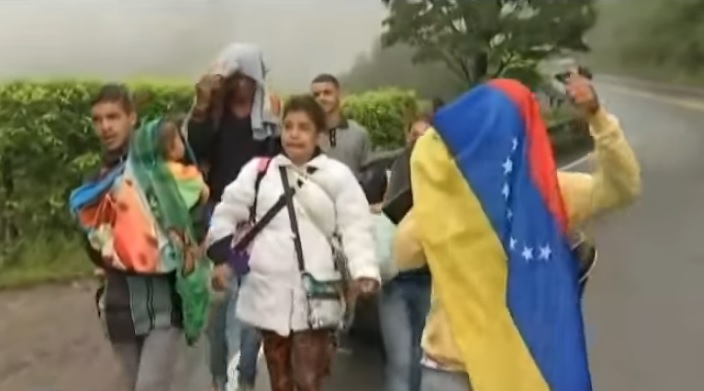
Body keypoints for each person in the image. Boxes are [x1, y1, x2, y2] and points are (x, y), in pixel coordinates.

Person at [393, 74, 641, 390]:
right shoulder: (548, 195)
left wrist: (435, 188)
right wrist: (598, 118)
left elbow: (402, 255)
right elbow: (622, 187)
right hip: (515, 367)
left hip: (451, 366)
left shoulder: (445, 202)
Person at [206, 94, 381, 391]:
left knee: (308, 380)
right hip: (267, 295)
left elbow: (356, 226)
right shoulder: (259, 173)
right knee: (280, 381)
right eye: (288, 126)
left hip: (316, 296)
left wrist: (364, 269)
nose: (294, 134)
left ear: (319, 136)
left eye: (303, 127)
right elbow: (227, 211)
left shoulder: (337, 176)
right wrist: (222, 256)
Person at [71, 84, 205, 391]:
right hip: (119, 308)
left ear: (132, 118)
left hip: (163, 305)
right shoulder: (94, 183)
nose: (105, 126)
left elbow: (193, 212)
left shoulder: (162, 168)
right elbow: (92, 242)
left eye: (113, 117)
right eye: (98, 119)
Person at [186, 43, 280, 391]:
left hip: (258, 226)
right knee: (219, 313)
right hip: (219, 220)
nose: (241, 84)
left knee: (249, 309)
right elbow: (194, 149)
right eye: (235, 77)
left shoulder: (269, 121)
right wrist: (203, 100)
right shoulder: (215, 117)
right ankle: (218, 375)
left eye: (247, 77)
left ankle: (242, 380)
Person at [378, 116, 432, 391]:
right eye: (415, 136)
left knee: (422, 358)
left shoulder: (446, 176)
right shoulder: (396, 167)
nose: (418, 142)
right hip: (394, 280)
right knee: (400, 360)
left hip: (430, 281)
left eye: (427, 136)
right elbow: (384, 208)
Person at [310, 73, 371, 176]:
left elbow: (369, 174)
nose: (321, 98)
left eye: (327, 93)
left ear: (339, 94)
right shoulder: (306, 134)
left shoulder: (358, 133)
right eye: (316, 95)